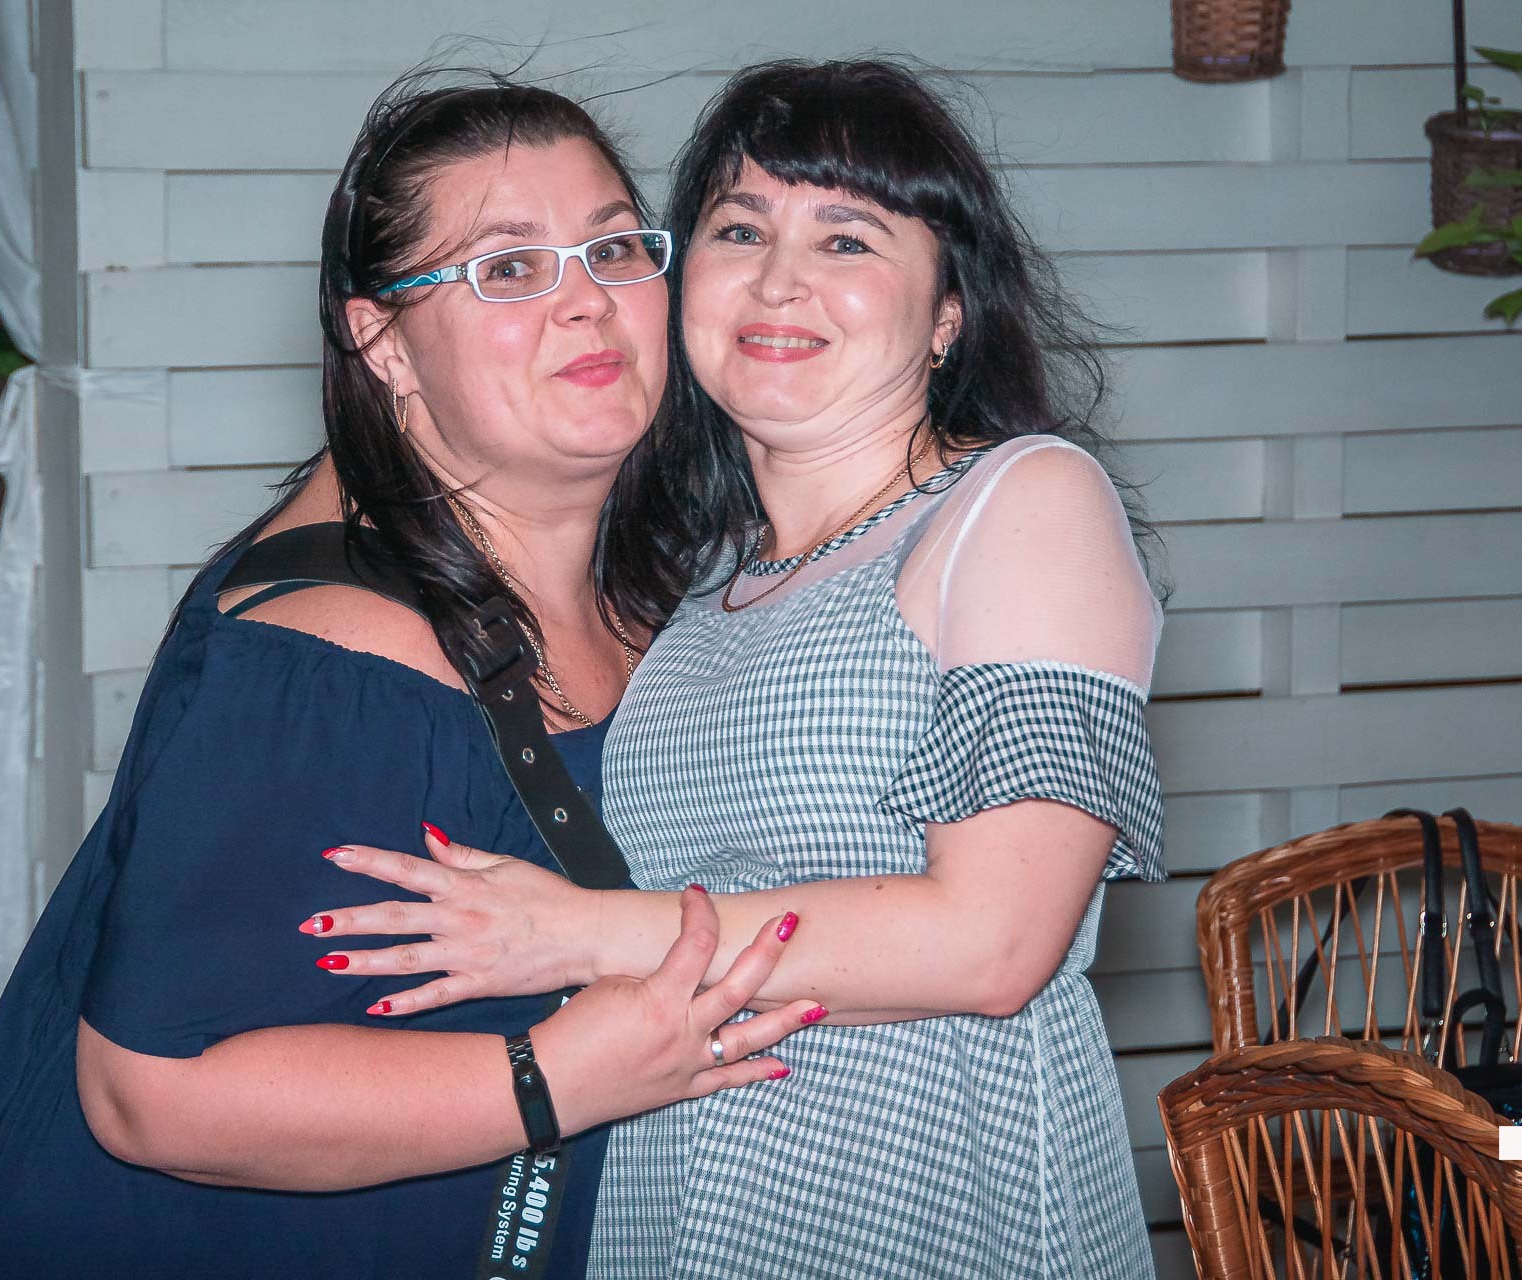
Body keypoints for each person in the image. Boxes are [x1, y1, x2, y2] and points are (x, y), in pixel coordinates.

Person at [0, 76, 819, 1279]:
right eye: (508, 268)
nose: (586, 299)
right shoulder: (323, 660)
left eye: (614, 246)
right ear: (383, 342)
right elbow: (150, 1093)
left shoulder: (648, 575)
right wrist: (559, 1076)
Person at [309, 60, 1168, 1278]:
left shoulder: (1019, 500)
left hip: (925, 1203)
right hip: (678, 1206)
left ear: (948, 311)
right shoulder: (697, 582)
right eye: (739, 229)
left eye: (847, 239)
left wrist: (575, 932)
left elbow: (996, 940)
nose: (778, 280)